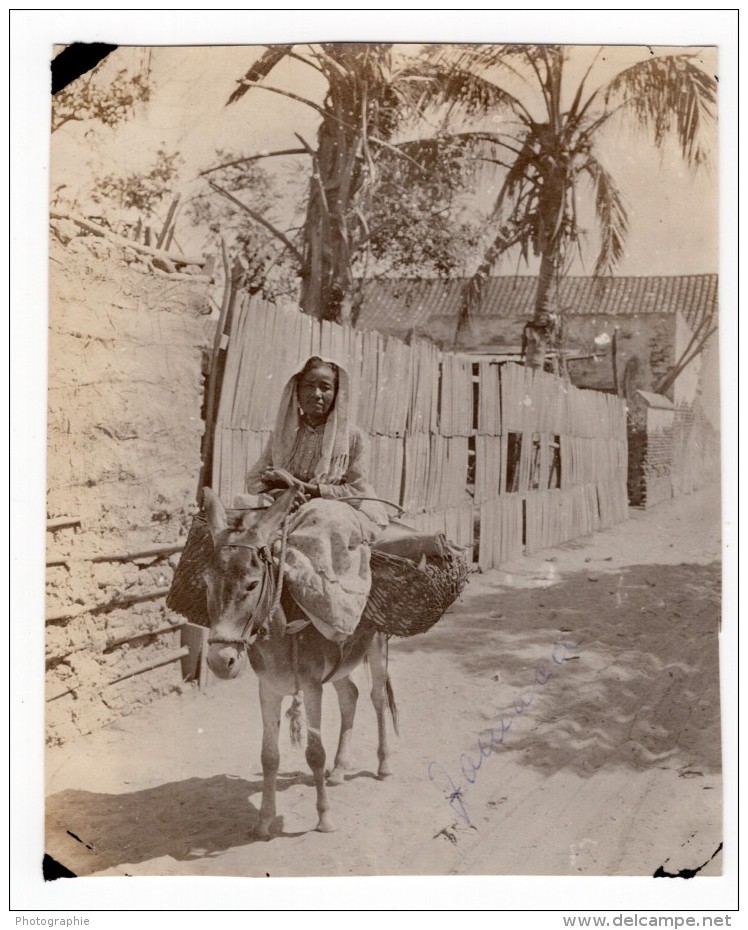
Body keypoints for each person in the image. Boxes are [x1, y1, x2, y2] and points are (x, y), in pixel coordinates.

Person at [245, 357, 388, 643]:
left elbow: (355, 490)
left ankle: (326, 608)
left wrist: (308, 490)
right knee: (241, 511)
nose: (317, 394)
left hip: (343, 509)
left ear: (337, 394)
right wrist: (280, 493)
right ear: (296, 391)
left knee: (322, 516)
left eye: (325, 387)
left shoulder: (353, 438)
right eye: (309, 386)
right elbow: (253, 480)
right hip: (289, 506)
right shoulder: (284, 434)